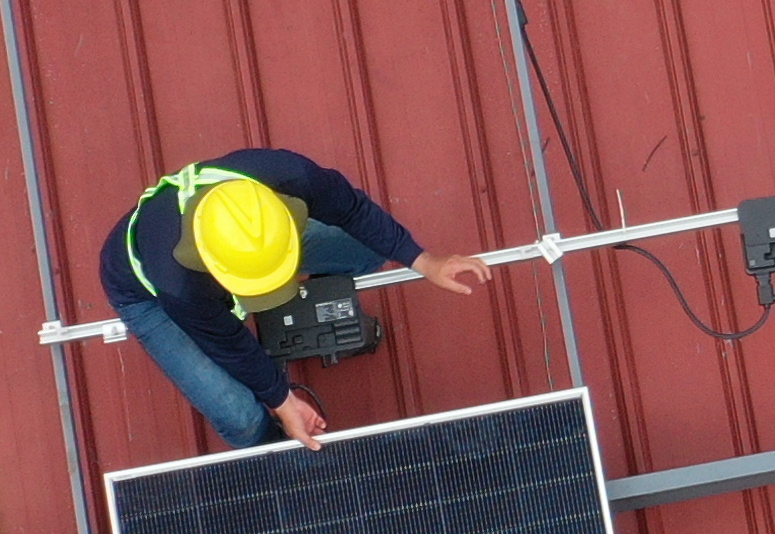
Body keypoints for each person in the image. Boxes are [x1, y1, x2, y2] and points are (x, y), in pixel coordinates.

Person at [98, 146, 489, 448]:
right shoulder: (177, 282)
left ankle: (311, 308)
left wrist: (423, 261)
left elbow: (352, 211)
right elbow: (230, 344)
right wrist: (283, 403)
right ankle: (285, 458)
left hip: (261, 245)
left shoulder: (288, 176)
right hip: (144, 296)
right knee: (241, 418)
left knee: (367, 249)